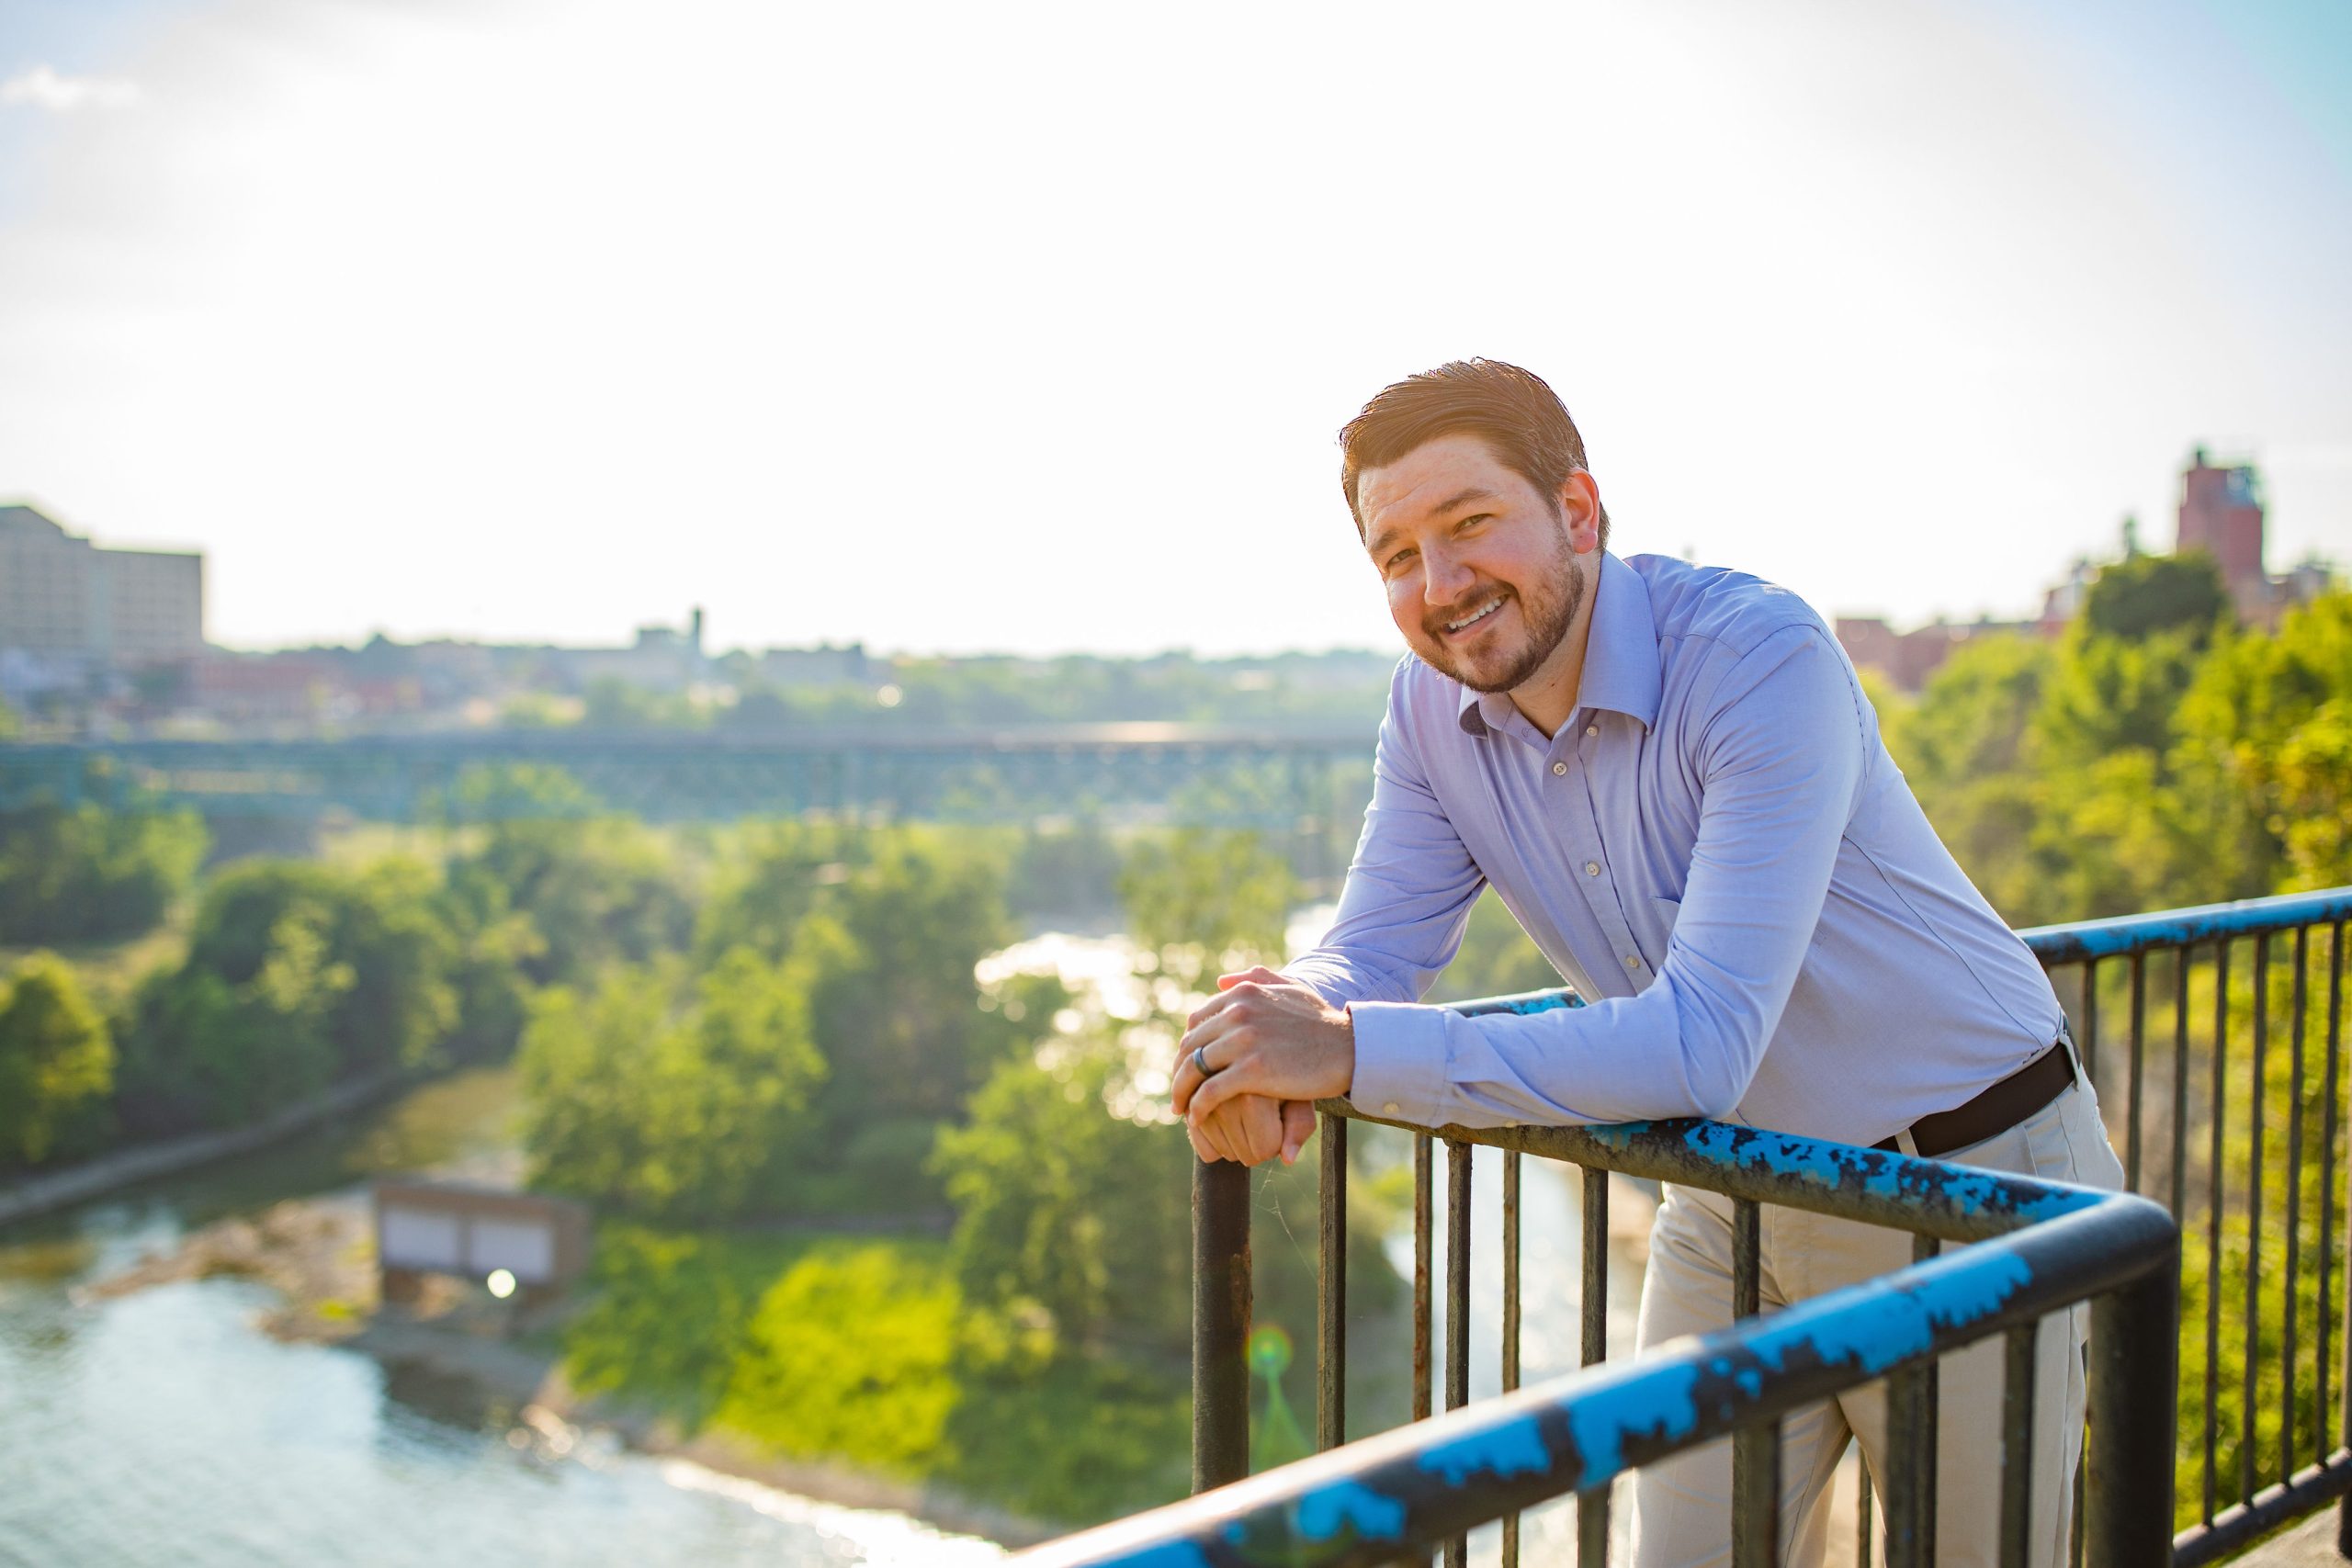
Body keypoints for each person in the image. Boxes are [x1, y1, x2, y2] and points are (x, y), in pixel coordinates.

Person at [1168, 358, 2124, 1568]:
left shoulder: (1756, 657)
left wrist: (1343, 1055)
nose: (1440, 585)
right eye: (1397, 556)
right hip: (1731, 1193)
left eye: (1469, 527)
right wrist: (1281, 1021)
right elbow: (1373, 945)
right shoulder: (1425, 712)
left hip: (1972, 1185)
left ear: (1578, 511)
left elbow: (1700, 1042)